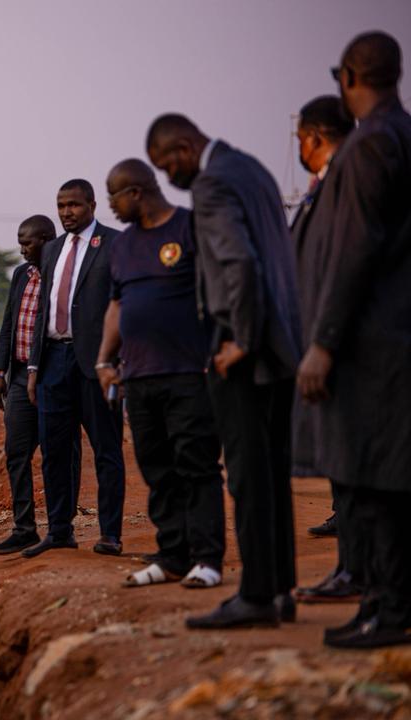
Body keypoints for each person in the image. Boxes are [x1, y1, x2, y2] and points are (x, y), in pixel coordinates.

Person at [147, 113, 302, 630]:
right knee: (273, 474)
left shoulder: (213, 184)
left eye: (166, 164)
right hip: (281, 343)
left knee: (248, 477)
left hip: (244, 349)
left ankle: (255, 596)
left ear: (186, 146)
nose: (168, 177)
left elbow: (238, 263)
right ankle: (279, 590)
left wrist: (239, 338)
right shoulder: (253, 170)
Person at [298, 32, 411, 649]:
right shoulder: (403, 133)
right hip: (396, 334)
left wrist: (324, 341)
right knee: (390, 477)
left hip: (370, 342)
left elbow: (355, 249)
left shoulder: (369, 144)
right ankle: (384, 604)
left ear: (348, 77)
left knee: (372, 481)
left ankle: (387, 609)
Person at [98, 159, 226, 589]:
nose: (110, 206)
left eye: (113, 196)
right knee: (157, 469)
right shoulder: (123, 245)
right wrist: (104, 361)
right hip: (139, 376)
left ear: (135, 192)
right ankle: (173, 555)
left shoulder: (190, 228)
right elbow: (117, 305)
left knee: (196, 466)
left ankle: (207, 559)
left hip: (190, 371)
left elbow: (224, 288)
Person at [25, 179, 126, 558]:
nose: (67, 212)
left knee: (106, 450)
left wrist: (117, 361)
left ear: (92, 205)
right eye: (61, 205)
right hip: (53, 362)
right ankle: (59, 530)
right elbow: (42, 312)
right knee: (54, 452)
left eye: (74, 205)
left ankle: (111, 534)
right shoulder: (50, 250)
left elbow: (124, 303)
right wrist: (34, 367)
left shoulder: (114, 244)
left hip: (97, 363)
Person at [287, 95, 361, 605]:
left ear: (313, 137)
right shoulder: (324, 186)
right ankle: (356, 571)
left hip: (349, 349)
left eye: (298, 137)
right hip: (329, 344)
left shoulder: (347, 181)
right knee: (347, 463)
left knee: (359, 464)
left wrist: (323, 343)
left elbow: (347, 267)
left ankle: (364, 577)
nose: (298, 146)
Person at [0, 214, 57, 554]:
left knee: (58, 453)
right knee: (17, 452)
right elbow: (8, 324)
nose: (22, 250)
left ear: (46, 239)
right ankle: (24, 527)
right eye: (20, 243)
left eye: (27, 243)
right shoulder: (21, 275)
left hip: (53, 374)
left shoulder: (60, 274)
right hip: (17, 378)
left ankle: (61, 527)